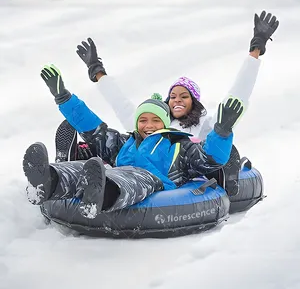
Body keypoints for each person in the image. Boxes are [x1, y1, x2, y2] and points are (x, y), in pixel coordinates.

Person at [72, 10, 279, 195]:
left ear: (194, 102)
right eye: (172, 96)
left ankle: (228, 174)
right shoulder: (154, 123)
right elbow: (120, 103)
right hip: (144, 175)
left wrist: (255, 51)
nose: (177, 100)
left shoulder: (206, 123)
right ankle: (78, 157)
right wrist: (97, 71)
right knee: (113, 144)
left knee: (224, 150)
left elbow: (238, 95)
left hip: (195, 169)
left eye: (184, 96)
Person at [23, 65, 244, 219]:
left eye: (156, 120)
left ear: (166, 123)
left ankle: (99, 196)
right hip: (112, 173)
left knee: (129, 178)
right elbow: (94, 129)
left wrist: (222, 132)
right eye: (143, 120)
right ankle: (48, 181)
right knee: (86, 168)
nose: (148, 125)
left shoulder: (180, 146)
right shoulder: (125, 142)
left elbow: (210, 160)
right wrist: (63, 97)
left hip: (153, 181)